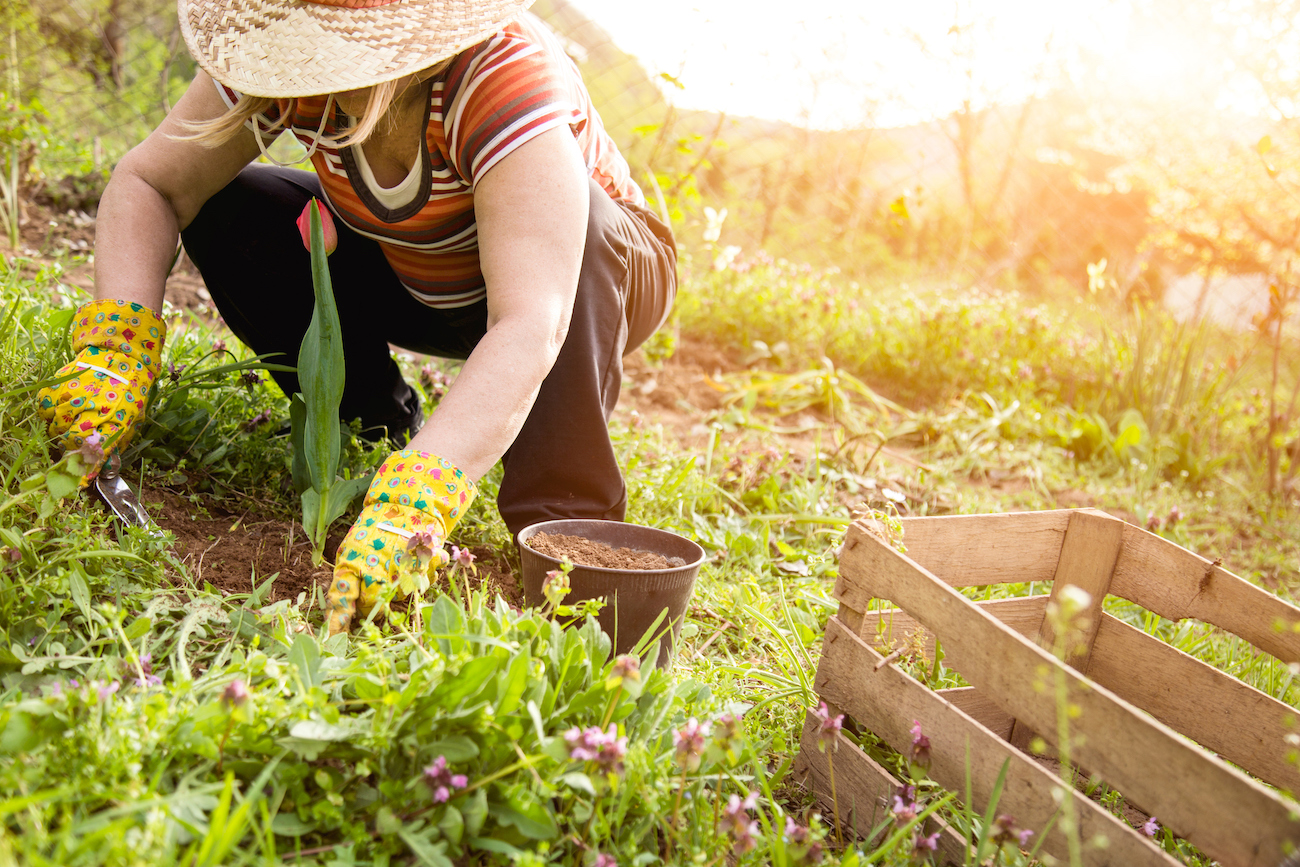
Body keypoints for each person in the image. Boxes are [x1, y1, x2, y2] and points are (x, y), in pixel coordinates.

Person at [35, 0, 677, 635]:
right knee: (231, 206)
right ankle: (375, 426)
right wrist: (117, 348)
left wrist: (420, 498)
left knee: (586, 223)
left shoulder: (503, 79)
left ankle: (565, 528)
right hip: (420, 267)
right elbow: (152, 183)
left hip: (588, 280)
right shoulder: (280, 51)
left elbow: (534, 318)